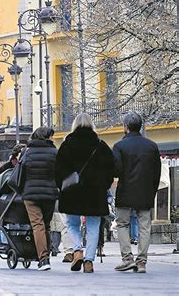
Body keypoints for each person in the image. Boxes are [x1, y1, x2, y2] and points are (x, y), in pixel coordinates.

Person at [55, 113, 114, 273]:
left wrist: (62, 185)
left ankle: (77, 250)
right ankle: (89, 261)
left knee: (71, 224)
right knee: (93, 227)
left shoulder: (67, 145)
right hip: (94, 193)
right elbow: (110, 170)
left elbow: (58, 169)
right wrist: (102, 186)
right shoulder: (100, 146)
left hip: (72, 192)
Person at [113, 112, 161, 274]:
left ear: (125, 127)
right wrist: (152, 191)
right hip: (145, 192)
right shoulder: (152, 146)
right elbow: (157, 173)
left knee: (122, 224)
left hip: (126, 191)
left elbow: (117, 170)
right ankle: (141, 262)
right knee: (144, 227)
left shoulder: (119, 146)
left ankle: (127, 259)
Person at [20, 127, 59, 271]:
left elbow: (21, 173)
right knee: (46, 225)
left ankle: (43, 259)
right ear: (47, 137)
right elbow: (59, 173)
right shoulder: (55, 152)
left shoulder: (27, 152)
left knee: (37, 225)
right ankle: (46, 256)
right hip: (49, 194)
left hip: (30, 194)